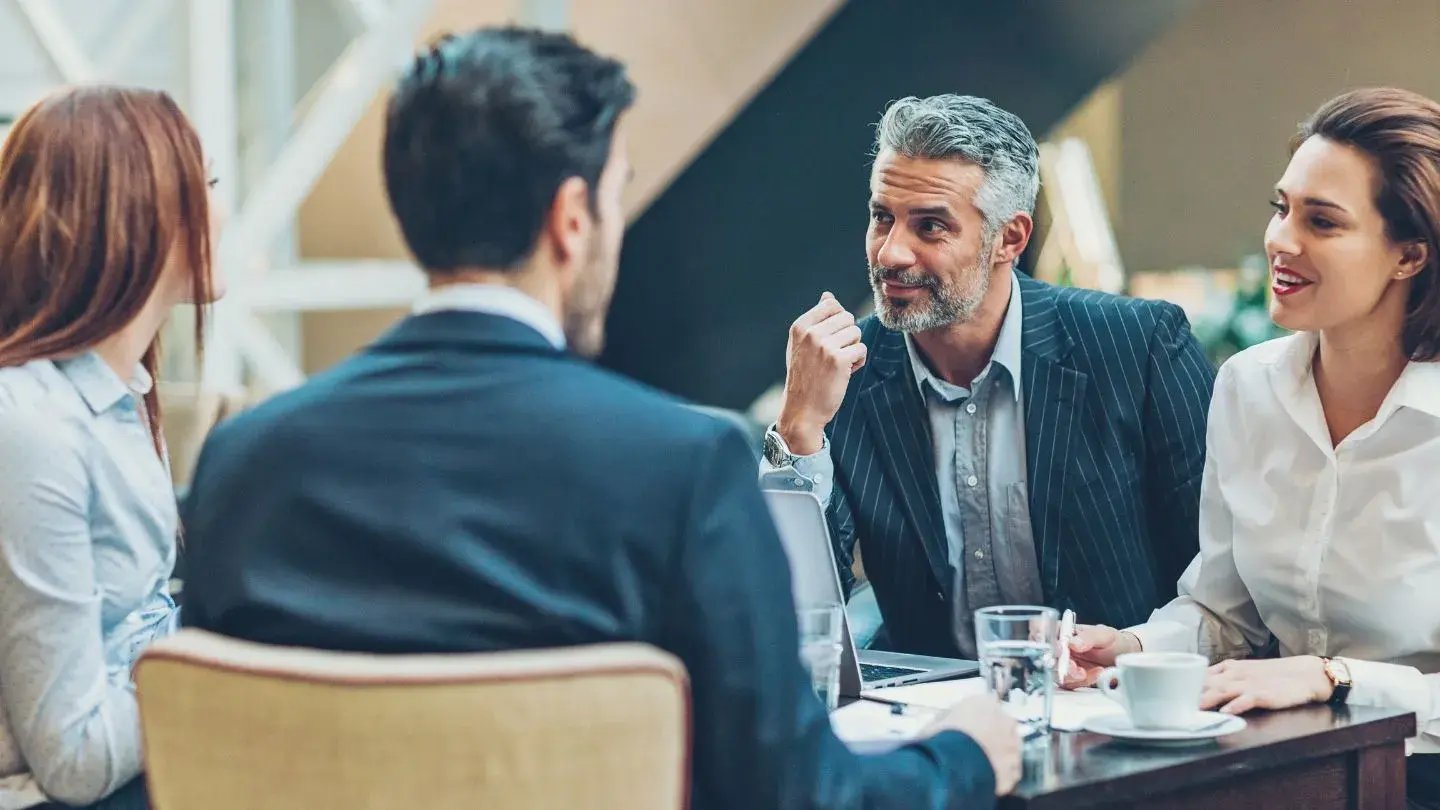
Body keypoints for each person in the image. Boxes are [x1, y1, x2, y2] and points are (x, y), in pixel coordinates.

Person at [180, 28, 1020, 809]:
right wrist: (967, 754)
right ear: (571, 219)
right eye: (616, 198)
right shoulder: (681, 467)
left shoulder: (243, 461)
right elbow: (798, 794)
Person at [1063, 87, 1440, 808]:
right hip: (1292, 765)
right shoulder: (1248, 386)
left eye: (1322, 221)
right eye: (1281, 207)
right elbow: (1221, 614)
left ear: (1409, 256)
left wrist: (1334, 677)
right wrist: (1135, 648)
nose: (1280, 240)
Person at [762, 94, 1215, 659]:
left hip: (1121, 706)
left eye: (930, 226)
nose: (891, 252)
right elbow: (784, 602)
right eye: (883, 217)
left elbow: (1219, 579)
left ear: (1010, 239)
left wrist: (1142, 652)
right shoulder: (845, 372)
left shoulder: (1138, 346)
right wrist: (799, 428)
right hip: (931, 723)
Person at [0, 86, 222, 809]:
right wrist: (223, 651)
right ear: (141, 215)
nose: (220, 208)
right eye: (207, 183)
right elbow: (74, 755)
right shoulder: (35, 427)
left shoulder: (112, 393)